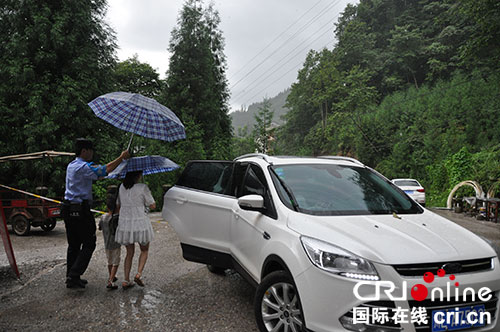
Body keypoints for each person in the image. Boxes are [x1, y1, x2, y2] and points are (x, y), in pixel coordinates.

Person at [62, 138, 130, 289]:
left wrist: (116, 170)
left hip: (68, 208)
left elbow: (99, 175)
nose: (92, 153)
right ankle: (74, 273)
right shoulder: (83, 167)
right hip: (80, 210)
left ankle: (71, 277)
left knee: (73, 244)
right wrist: (121, 157)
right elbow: (102, 170)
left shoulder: (72, 165)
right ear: (84, 151)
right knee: (89, 242)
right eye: (91, 150)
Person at [114, 171, 155, 289]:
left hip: (126, 224)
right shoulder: (143, 187)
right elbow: (152, 205)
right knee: (144, 250)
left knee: (129, 252)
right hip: (140, 223)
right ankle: (138, 274)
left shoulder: (121, 187)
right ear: (137, 176)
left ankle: (126, 280)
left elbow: (118, 205)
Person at [98, 186, 121, 290]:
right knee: (116, 262)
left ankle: (111, 276)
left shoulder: (103, 218)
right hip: (116, 244)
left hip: (106, 244)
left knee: (109, 261)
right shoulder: (117, 218)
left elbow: (99, 227)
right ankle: (111, 281)